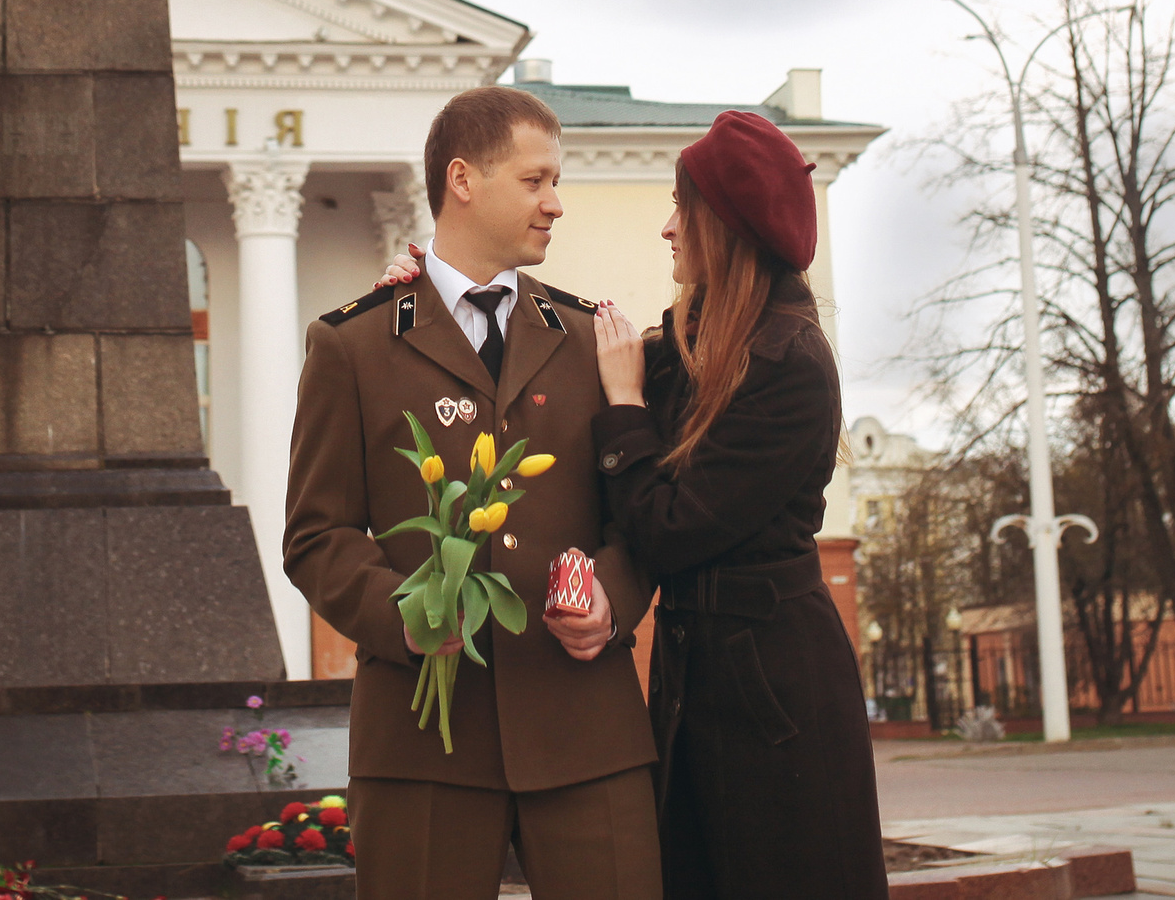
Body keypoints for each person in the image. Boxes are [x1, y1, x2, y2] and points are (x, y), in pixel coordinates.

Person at [286, 86, 662, 900]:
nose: (555, 204)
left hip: (585, 733)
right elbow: (316, 532)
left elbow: (640, 514)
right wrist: (402, 613)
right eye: (535, 181)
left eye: (555, 182)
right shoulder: (352, 343)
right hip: (424, 745)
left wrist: (615, 599)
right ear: (463, 178)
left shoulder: (594, 340)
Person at [588, 110, 887, 899]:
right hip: (702, 677)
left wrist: (623, 404)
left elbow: (668, 528)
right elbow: (565, 358)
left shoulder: (789, 362)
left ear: (722, 225)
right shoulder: (695, 338)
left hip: (775, 696)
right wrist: (423, 290)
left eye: (681, 210)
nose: (666, 229)